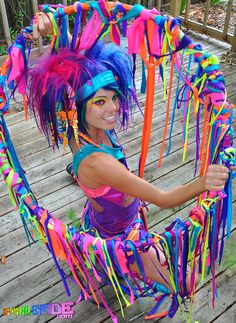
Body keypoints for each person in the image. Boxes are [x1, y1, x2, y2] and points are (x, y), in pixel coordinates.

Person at [26, 11, 234, 318]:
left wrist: (52, 31)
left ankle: (115, 268)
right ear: (79, 107)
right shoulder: (98, 161)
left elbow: (68, 71)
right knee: (187, 283)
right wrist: (204, 182)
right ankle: (109, 268)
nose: (112, 108)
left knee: (173, 276)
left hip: (105, 218)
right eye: (100, 102)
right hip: (118, 237)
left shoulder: (83, 129)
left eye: (114, 97)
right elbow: (162, 199)